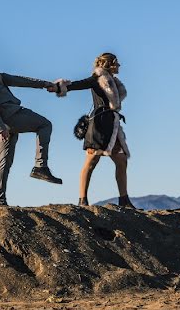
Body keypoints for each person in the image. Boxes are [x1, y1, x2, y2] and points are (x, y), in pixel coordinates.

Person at [0, 35, 63, 206]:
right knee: (44, 124)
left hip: (4, 121)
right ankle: (40, 167)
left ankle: (0, 202)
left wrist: (46, 84)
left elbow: (18, 80)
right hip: (8, 117)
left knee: (5, 160)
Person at [57, 52, 134, 208]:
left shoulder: (113, 81)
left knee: (121, 160)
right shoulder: (97, 78)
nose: (119, 66)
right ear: (110, 64)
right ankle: (82, 200)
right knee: (91, 161)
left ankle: (124, 200)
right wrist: (62, 86)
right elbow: (80, 84)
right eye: (117, 63)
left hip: (112, 125)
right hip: (99, 125)